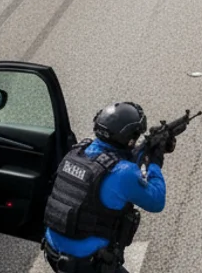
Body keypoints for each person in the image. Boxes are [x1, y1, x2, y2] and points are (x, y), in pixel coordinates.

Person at [42, 102, 170, 273]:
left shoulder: (77, 152)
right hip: (87, 264)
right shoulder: (123, 173)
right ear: (129, 138)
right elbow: (157, 201)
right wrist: (154, 162)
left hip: (53, 252)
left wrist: (142, 151)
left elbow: (110, 164)